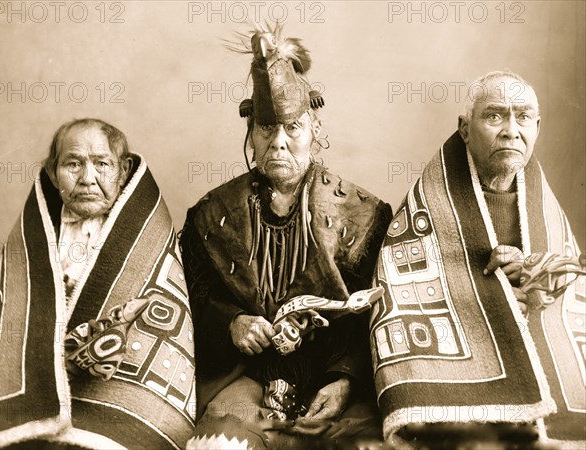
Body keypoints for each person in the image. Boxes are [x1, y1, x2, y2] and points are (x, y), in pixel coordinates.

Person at [180, 24, 392, 449]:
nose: (279, 142)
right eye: (266, 129)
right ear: (251, 137)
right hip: (246, 374)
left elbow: (380, 308)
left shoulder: (365, 214)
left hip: (338, 379)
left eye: (293, 128)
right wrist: (232, 323)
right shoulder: (210, 216)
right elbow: (190, 300)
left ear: (315, 131)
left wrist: (345, 380)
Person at [370, 71, 585, 447]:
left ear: (538, 126)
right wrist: (490, 293)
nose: (511, 130)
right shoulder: (428, 204)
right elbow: (401, 295)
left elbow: (571, 289)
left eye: (523, 117)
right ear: (464, 129)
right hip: (461, 369)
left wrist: (532, 273)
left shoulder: (543, 203)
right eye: (495, 115)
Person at [0, 119, 196, 449]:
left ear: (123, 170)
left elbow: (154, 323)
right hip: (41, 387)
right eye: (73, 164)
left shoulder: (148, 236)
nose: (87, 178)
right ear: (53, 173)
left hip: (114, 395)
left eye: (101, 164)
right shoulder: (35, 235)